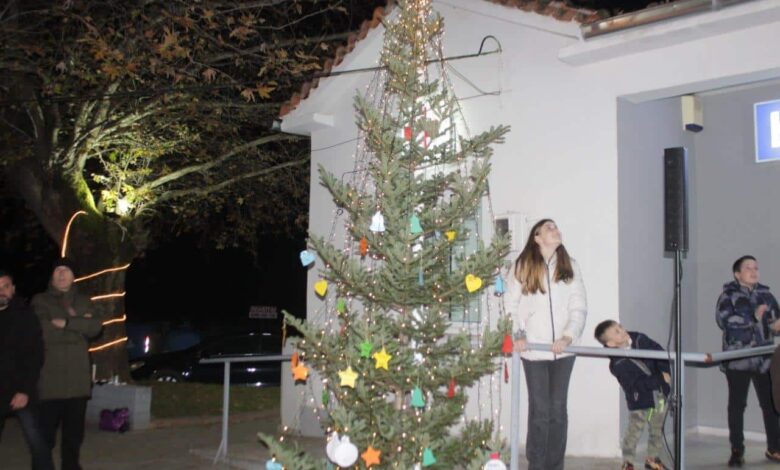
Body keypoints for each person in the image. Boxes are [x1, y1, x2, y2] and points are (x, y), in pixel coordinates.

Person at [507, 218, 587, 470]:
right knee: (540, 411)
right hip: (534, 352)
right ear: (537, 237)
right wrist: (518, 334)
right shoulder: (522, 266)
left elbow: (579, 307)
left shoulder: (570, 266)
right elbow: (510, 306)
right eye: (548, 227)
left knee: (558, 411)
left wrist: (568, 336)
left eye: (556, 226)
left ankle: (555, 466)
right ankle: (537, 465)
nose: (555, 229)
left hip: (564, 351)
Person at [32, 258, 102, 470]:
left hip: (77, 381)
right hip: (50, 382)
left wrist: (67, 323)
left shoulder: (84, 301)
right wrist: (79, 328)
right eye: (58, 270)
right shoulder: (40, 300)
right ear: (52, 275)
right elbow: (42, 331)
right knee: (44, 438)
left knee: (73, 438)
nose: (62, 274)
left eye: (67, 270)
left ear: (74, 276)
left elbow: (96, 327)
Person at [716, 255, 780, 467]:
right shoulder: (728, 296)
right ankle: (737, 451)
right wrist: (753, 317)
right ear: (737, 274)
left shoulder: (767, 295)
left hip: (764, 360)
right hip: (738, 359)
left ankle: (774, 448)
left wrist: (775, 325)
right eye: (748, 268)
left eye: (756, 268)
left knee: (770, 405)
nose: (754, 271)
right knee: (737, 406)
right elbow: (724, 321)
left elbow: (773, 323)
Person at [594, 320, 670, 470]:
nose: (622, 331)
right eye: (616, 332)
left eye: (620, 327)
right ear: (610, 344)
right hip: (639, 399)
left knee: (657, 428)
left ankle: (652, 459)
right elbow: (636, 384)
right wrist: (660, 379)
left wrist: (664, 371)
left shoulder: (640, 339)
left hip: (658, 395)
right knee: (634, 430)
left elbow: (659, 352)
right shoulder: (618, 364)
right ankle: (628, 462)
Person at [0, 270, 54, 470]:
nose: (1, 292)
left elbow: (35, 355)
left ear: (13, 289)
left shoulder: (25, 316)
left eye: (5, 286)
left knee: (37, 443)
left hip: (21, 391)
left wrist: (24, 390)